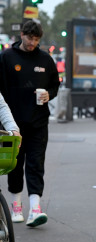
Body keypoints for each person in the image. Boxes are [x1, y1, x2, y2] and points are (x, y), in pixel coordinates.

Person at [0, 20, 60, 227]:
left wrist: (49, 95)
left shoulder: (45, 59)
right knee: (15, 164)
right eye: (29, 38)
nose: (32, 43)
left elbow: (55, 84)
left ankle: (35, 208)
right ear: (22, 35)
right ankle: (16, 205)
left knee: (36, 163)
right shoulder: (7, 57)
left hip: (38, 121)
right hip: (12, 123)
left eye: (36, 39)